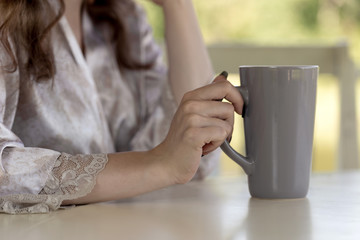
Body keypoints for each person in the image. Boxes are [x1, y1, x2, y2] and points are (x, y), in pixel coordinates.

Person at [0, 0, 243, 214]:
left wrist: (177, 4)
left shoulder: (125, 20)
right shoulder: (7, 18)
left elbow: (194, 160)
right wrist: (157, 164)